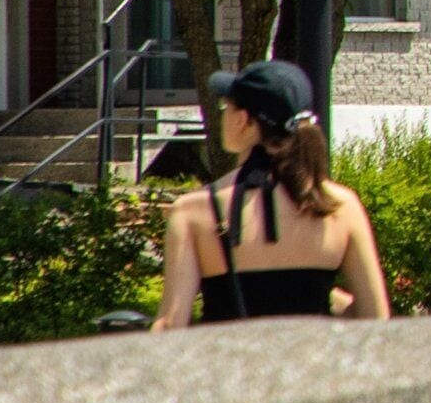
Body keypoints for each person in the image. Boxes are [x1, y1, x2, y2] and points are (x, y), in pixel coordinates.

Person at [153, 60, 390, 327]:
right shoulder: (339, 205)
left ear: (244, 120)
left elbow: (172, 323)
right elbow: (376, 318)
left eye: (226, 107)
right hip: (312, 366)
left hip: (229, 365)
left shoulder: (194, 210)